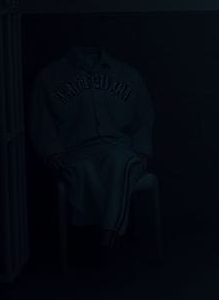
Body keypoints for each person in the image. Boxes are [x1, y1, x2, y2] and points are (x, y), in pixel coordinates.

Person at [29, 46, 153, 248]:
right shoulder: (50, 76)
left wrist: (142, 149)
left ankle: (107, 236)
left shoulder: (128, 74)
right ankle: (108, 232)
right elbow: (41, 121)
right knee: (83, 170)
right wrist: (52, 152)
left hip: (118, 147)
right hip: (76, 150)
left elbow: (144, 117)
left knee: (122, 163)